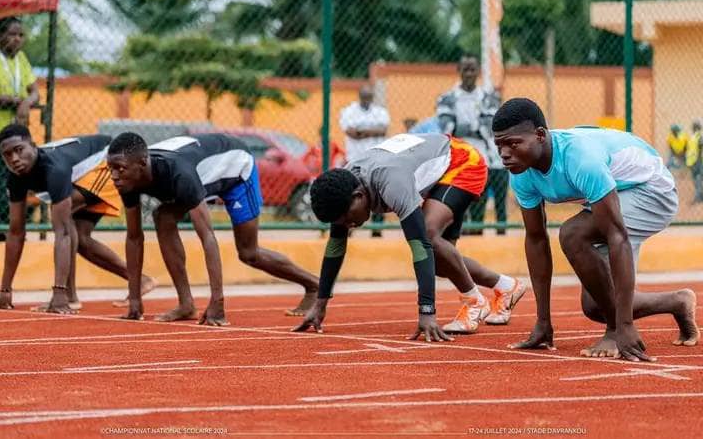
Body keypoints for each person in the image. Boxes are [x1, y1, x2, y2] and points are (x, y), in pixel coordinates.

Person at [492, 98, 699, 362]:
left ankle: (615, 329)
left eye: (513, 144)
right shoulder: (521, 173)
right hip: (617, 196)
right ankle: (677, 302)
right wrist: (542, 322)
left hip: (652, 191)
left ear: (540, 135)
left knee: (573, 234)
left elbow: (617, 236)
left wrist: (621, 327)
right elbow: (536, 239)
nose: (504, 154)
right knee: (594, 305)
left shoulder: (580, 159)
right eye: (499, 145)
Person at [293, 133, 526, 341]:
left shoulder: (391, 182)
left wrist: (427, 312)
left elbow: (420, 245)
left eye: (346, 219)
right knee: (440, 262)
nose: (348, 226)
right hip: (436, 167)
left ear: (359, 196)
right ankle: (506, 286)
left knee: (429, 238)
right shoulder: (343, 188)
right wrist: (320, 304)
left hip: (462, 162)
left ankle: (474, 301)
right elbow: (335, 249)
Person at [106, 132, 319, 324]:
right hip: (203, 173)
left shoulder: (179, 173)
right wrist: (134, 299)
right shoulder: (128, 180)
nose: (114, 176)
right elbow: (134, 238)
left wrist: (217, 301)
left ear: (142, 163)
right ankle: (186, 305)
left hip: (236, 169)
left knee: (249, 253)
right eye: (111, 169)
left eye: (120, 169)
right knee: (163, 217)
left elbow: (207, 236)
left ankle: (313, 285)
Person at [0, 124, 156, 313]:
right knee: (80, 238)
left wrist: (58, 293)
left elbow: (62, 233)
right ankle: (140, 281)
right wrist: (5, 291)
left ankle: (66, 295)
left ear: (33, 145)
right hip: (80, 176)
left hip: (103, 162)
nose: (14, 159)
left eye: (19, 150)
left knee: (63, 221)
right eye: (7, 155)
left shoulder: (54, 168)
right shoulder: (15, 178)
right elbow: (15, 233)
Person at [436, 54, 508, 235]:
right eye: (465, 69)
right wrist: (477, 125)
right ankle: (471, 237)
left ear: (478, 71)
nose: (469, 73)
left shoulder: (489, 97)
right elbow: (446, 127)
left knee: (497, 204)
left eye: (472, 69)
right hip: (460, 159)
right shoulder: (447, 98)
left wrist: (462, 126)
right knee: (471, 204)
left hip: (490, 157)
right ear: (459, 70)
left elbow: (490, 126)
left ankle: (501, 239)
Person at [0, 17, 39, 240]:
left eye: (21, 35)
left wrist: (26, 102)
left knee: (17, 187)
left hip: (18, 139)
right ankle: (11, 233)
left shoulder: (21, 59)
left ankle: (3, 234)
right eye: (12, 34)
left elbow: (35, 91)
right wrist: (16, 101)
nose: (17, 39)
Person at [339, 84, 390, 237]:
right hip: (354, 160)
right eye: (365, 96)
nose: (367, 99)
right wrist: (373, 132)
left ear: (372, 97)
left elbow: (383, 131)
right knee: (351, 194)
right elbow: (351, 133)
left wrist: (361, 131)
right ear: (360, 96)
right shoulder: (349, 111)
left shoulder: (380, 112)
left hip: (376, 159)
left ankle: (377, 229)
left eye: (369, 97)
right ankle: (349, 227)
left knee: (378, 193)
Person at [685, 121, 702, 203]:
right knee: (697, 179)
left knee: (697, 179)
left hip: (695, 162)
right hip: (694, 162)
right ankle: (699, 195)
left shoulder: (696, 137)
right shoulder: (696, 137)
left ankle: (698, 196)